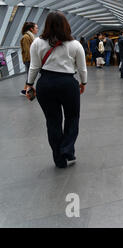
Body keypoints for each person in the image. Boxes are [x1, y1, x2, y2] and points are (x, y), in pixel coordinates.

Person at [25, 11, 87, 169]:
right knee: (72, 117)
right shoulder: (75, 44)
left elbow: (34, 66)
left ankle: (59, 160)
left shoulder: (37, 43)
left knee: (53, 122)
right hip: (68, 84)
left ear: (47, 25)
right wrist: (83, 83)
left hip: (45, 84)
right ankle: (67, 148)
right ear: (66, 25)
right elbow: (82, 68)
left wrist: (29, 84)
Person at [20, 22, 38, 96]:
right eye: (36, 28)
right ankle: (27, 91)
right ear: (31, 29)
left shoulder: (30, 36)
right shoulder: (26, 37)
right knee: (30, 76)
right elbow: (28, 51)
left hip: (31, 60)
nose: (37, 29)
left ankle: (25, 90)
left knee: (29, 76)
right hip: (29, 60)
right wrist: (33, 61)